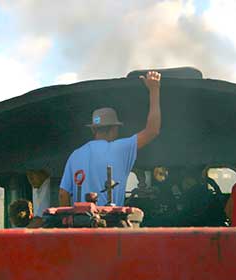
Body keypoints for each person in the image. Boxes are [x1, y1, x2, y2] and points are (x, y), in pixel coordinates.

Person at [59, 71, 161, 206]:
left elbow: (62, 194)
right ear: (114, 129)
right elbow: (152, 130)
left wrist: (69, 223)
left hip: (81, 224)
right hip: (111, 223)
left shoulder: (75, 155)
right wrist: (154, 90)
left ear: (93, 129)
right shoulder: (121, 148)